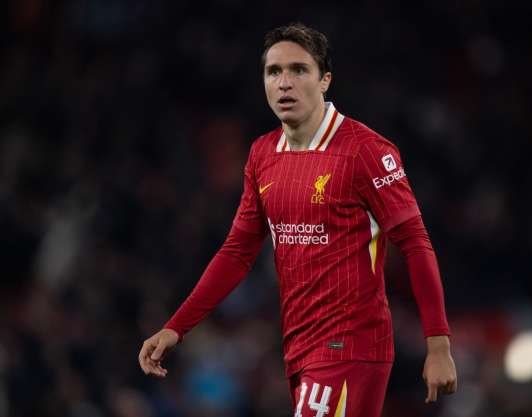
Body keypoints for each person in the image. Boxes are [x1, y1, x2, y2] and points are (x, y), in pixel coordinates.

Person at [139, 22, 457, 417]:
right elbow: (237, 252)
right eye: (273, 72)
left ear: (325, 80)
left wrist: (438, 345)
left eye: (298, 70)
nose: (284, 82)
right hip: (298, 348)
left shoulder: (366, 151)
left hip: (350, 346)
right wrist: (177, 326)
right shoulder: (262, 154)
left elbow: (416, 243)